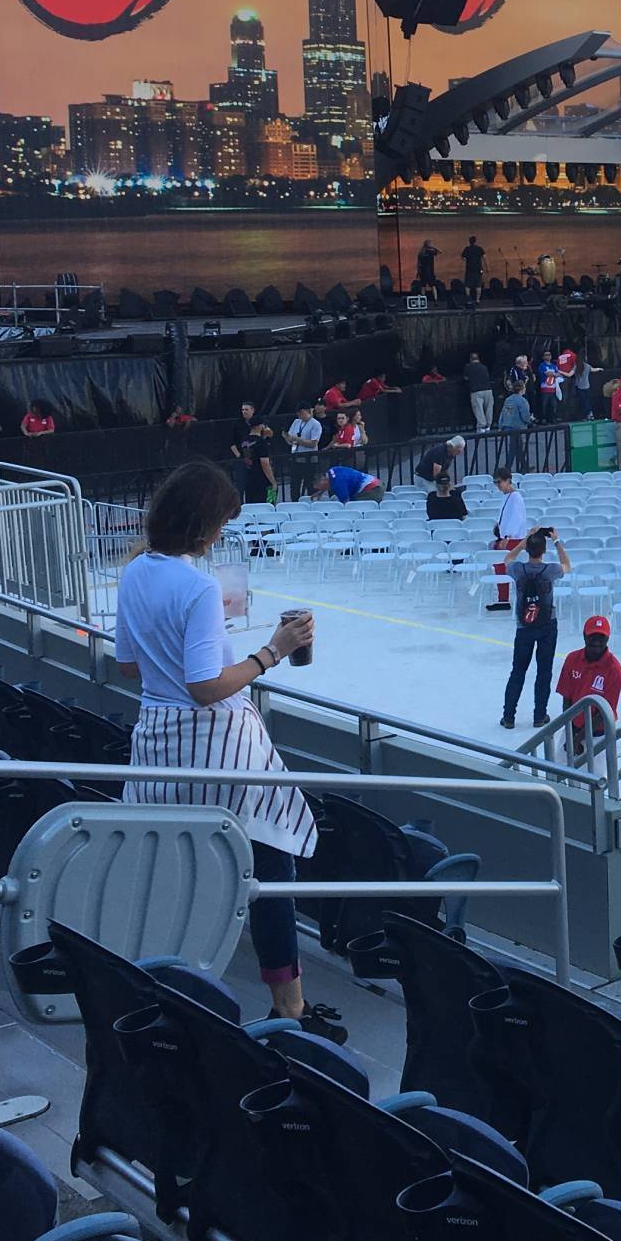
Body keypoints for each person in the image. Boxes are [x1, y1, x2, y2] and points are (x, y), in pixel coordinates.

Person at [112, 462, 339, 1037]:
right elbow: (207, 686)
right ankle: (289, 1005)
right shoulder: (198, 587)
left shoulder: (136, 571)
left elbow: (127, 664)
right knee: (271, 859)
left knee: (175, 862)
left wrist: (193, 648)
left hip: (156, 738)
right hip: (217, 742)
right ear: (204, 525)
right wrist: (273, 650)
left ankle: (170, 983)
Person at [501, 526, 570, 730]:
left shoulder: (518, 570)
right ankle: (539, 715)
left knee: (518, 671)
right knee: (544, 671)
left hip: (524, 626)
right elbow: (567, 564)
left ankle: (509, 716)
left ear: (529, 549)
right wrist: (557, 541)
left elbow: (507, 560)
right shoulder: (550, 570)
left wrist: (523, 542)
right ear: (543, 550)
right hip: (547, 624)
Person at [554, 614, 621, 769]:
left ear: (608, 639)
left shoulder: (614, 670)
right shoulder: (572, 659)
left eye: (601, 638)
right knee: (557, 769)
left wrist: (578, 739)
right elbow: (567, 698)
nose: (597, 642)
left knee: (592, 783)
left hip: (598, 735)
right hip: (572, 728)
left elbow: (604, 713)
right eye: (593, 637)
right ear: (584, 636)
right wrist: (571, 733)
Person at [487, 467, 531, 612]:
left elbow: (516, 519)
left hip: (513, 539)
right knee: (500, 568)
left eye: (499, 482)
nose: (497, 485)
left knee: (503, 567)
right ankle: (503, 599)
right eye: (495, 482)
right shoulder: (508, 496)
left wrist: (507, 536)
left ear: (508, 480)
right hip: (507, 537)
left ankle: (507, 598)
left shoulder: (515, 497)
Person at [417, 434, 468, 518]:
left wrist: (449, 484)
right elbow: (436, 475)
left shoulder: (449, 453)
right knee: (436, 495)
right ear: (452, 447)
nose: (459, 453)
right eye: (458, 451)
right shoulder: (440, 453)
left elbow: (443, 471)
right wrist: (447, 486)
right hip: (425, 479)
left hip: (430, 478)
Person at [286, 405, 325, 498]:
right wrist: (289, 439)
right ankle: (295, 502)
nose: (299, 415)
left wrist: (298, 439)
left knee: (310, 484)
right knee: (294, 484)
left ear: (307, 411)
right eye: (298, 413)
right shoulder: (296, 422)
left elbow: (313, 443)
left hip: (309, 458)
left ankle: (313, 502)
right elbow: (289, 436)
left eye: (301, 413)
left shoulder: (315, 424)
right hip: (296, 457)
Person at [312, 464, 384, 504]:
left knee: (355, 508)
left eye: (319, 487)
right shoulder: (332, 470)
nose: (319, 489)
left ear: (323, 480)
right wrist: (320, 492)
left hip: (372, 489)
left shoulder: (338, 484)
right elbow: (328, 482)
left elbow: (346, 503)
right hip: (375, 483)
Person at [465, 354, 494, 431]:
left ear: (471, 360)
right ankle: (488, 425)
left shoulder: (468, 367)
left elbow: (466, 378)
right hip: (488, 390)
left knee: (479, 409)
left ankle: (481, 426)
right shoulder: (484, 367)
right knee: (489, 408)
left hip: (476, 391)